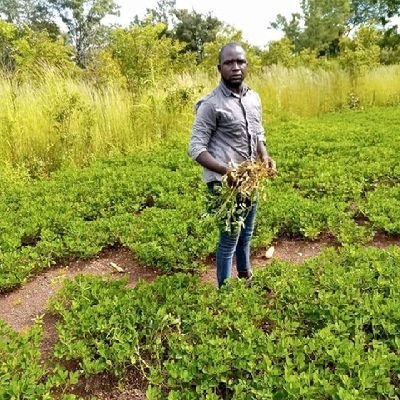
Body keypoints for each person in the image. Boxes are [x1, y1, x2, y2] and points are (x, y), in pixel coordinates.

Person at [188, 42, 276, 287]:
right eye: (229, 62)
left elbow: (257, 134)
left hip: (250, 179)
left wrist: (264, 157)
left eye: (240, 62)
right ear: (219, 68)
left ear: (246, 65)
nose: (235, 67)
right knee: (229, 237)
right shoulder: (211, 104)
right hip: (224, 183)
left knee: (246, 233)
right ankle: (225, 292)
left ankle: (246, 275)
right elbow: (195, 149)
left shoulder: (254, 98)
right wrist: (228, 172)